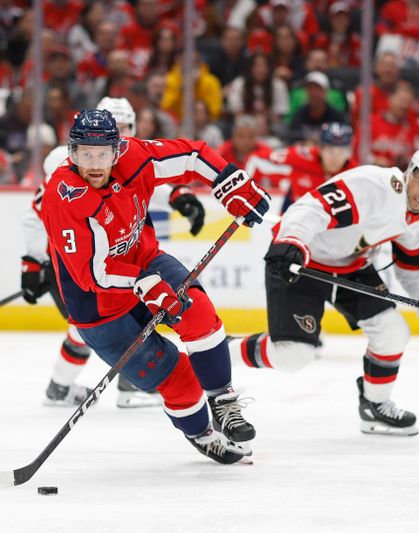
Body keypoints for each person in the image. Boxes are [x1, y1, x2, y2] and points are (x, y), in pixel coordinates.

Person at [39, 108, 271, 464]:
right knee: (178, 380)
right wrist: (142, 284)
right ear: (72, 153)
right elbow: (92, 275)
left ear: (117, 150)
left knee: (200, 317)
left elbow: (193, 155)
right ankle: (201, 434)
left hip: (145, 260)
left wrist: (229, 179)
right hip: (98, 306)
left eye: (103, 153)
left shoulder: (136, 156)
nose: (95, 163)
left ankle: (224, 402)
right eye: (86, 154)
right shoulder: (64, 195)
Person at [230, 143, 419, 437]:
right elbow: (312, 207)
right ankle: (217, 353)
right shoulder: (375, 186)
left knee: (393, 332)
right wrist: (290, 241)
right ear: (410, 172)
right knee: (292, 356)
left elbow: (412, 270)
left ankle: (374, 406)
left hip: (352, 268)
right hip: (304, 261)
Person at [21, 97, 206, 409]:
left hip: (118, 260)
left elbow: (143, 180)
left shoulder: (123, 154)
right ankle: (115, 382)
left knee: (134, 309)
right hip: (75, 262)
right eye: (113, 126)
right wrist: (33, 261)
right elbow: (38, 211)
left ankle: (68, 386)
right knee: (95, 324)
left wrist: (178, 194)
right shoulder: (70, 161)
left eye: (123, 129)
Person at [250, 122, 357, 212]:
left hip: (331, 226)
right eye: (330, 150)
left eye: (341, 151)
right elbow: (256, 160)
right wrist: (245, 190)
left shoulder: (355, 173)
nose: (335, 157)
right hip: (294, 214)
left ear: (349, 152)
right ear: (320, 148)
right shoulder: (301, 158)